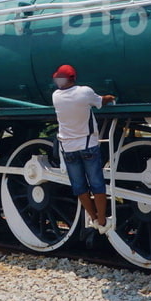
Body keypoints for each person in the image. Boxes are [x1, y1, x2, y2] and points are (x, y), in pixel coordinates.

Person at [51, 65, 115, 234]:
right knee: (96, 184)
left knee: (79, 186)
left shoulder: (55, 96)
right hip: (88, 145)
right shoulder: (84, 92)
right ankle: (101, 219)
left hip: (68, 148)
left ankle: (93, 218)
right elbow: (101, 101)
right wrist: (111, 97)